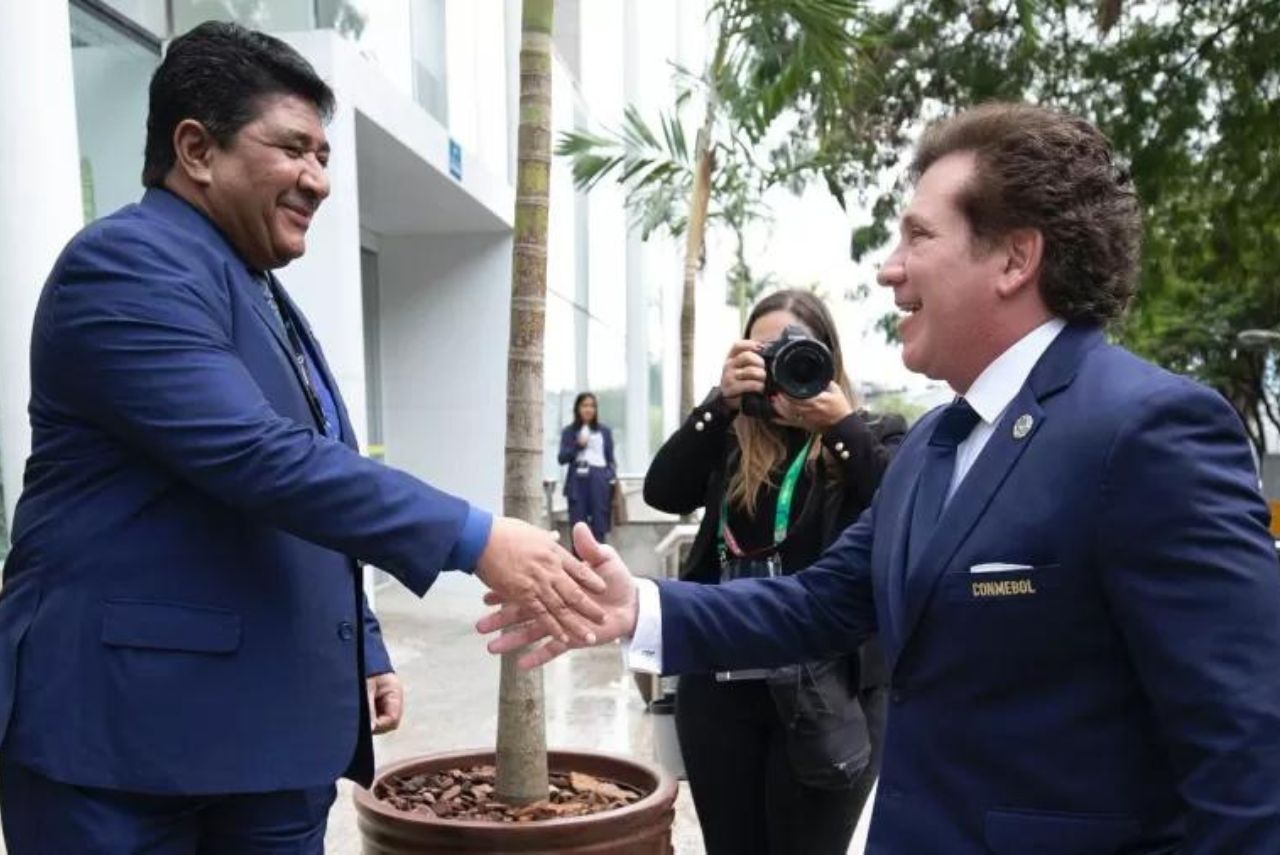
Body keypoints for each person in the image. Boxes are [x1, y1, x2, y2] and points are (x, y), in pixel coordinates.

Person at [481, 102, 1280, 853]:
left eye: (917, 237)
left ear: (1014, 257)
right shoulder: (937, 442)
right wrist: (637, 606)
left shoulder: (1149, 432)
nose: (889, 271)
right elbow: (820, 600)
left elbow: (1248, 751)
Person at [0, 22, 603, 854]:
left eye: (324, 155)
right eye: (294, 149)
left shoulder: (260, 292)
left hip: (268, 746)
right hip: (130, 752)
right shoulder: (125, 267)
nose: (318, 181)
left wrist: (360, 637)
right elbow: (259, 458)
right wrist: (477, 536)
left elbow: (312, 481)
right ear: (196, 149)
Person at [643, 289, 905, 855]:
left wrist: (841, 427)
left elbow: (909, 509)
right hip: (722, 689)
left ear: (828, 360)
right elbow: (662, 491)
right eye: (763, 352)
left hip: (829, 695)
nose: (778, 365)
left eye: (794, 350)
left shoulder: (873, 434)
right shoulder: (731, 441)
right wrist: (720, 404)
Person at [558, 392, 617, 544]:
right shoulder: (569, 431)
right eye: (584, 405)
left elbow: (611, 460)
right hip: (578, 483)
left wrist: (607, 475)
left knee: (599, 528)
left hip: (599, 482)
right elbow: (562, 458)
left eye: (592, 406)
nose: (588, 409)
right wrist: (578, 445)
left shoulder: (604, 431)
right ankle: (578, 566)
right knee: (578, 528)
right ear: (577, 408)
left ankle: (599, 566)